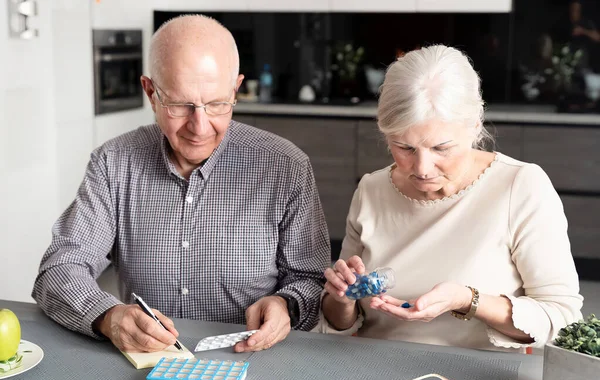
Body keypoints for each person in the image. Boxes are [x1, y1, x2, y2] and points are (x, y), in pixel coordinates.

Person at [32, 15, 329, 354]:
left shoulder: (285, 167)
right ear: (151, 93)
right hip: (150, 369)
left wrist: (286, 305)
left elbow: (312, 280)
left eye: (217, 104)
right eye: (179, 105)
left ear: (235, 90)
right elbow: (59, 268)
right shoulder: (113, 163)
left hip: (254, 363)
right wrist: (108, 316)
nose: (200, 127)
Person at [320, 45, 583, 352]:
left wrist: (467, 300)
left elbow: (562, 320)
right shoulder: (371, 189)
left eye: (441, 149)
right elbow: (339, 323)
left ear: (474, 125)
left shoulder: (521, 186)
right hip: (374, 369)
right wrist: (341, 298)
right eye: (404, 148)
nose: (421, 168)